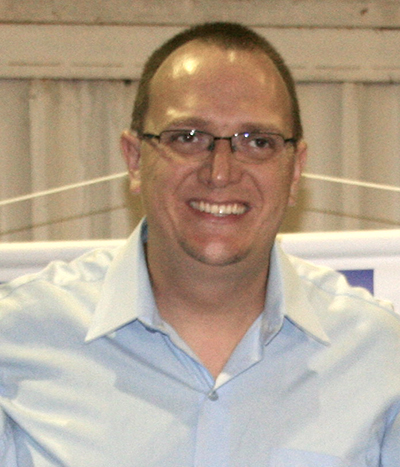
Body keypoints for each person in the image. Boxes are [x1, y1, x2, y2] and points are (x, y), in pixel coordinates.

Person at [1, 21, 400, 467]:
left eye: (258, 141)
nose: (220, 172)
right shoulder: (16, 336)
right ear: (135, 160)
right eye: (188, 138)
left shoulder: (381, 354)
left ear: (294, 170)